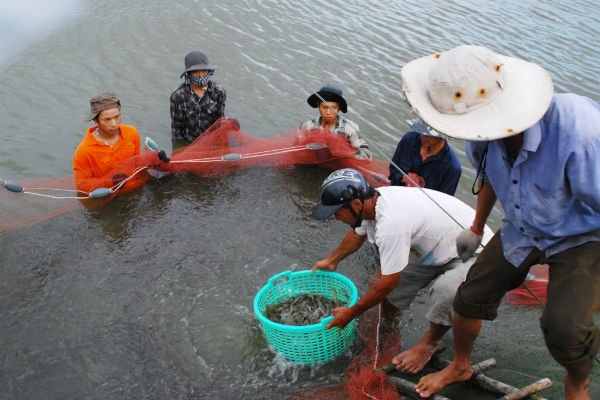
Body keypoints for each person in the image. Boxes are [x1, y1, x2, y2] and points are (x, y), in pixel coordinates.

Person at [399, 45, 600, 399]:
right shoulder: (482, 141)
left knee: (564, 329)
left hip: (582, 235)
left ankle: (577, 381)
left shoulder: (581, 135)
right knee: (469, 297)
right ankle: (460, 364)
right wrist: (476, 227)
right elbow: (492, 178)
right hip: (524, 227)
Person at [311, 168, 492, 374]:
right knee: (382, 288)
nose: (335, 217)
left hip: (475, 247)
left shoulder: (391, 223)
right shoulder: (371, 202)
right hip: (434, 244)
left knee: (445, 291)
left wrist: (352, 312)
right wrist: (332, 260)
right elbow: (358, 232)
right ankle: (388, 330)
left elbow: (389, 282)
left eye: (336, 212)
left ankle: (428, 345)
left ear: (355, 204)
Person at [73, 92, 168, 193]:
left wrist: (153, 158)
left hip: (136, 187)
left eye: (117, 117)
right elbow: (81, 185)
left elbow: (137, 162)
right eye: (107, 119)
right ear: (96, 121)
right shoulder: (84, 151)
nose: (114, 124)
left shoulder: (131, 133)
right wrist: (111, 181)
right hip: (110, 196)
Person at [389, 118, 461, 195]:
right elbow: (393, 169)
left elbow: (443, 200)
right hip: (396, 193)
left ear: (443, 136)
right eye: (421, 131)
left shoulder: (452, 168)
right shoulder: (408, 139)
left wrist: (421, 187)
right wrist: (403, 177)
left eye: (429, 135)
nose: (423, 136)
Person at [298, 84, 371, 159]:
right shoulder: (307, 126)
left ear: (339, 108)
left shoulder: (349, 128)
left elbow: (367, 156)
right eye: (324, 107)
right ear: (318, 105)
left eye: (333, 108)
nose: (328, 112)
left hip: (340, 165)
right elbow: (297, 147)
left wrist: (340, 154)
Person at [170, 51, 227, 145]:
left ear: (209, 72)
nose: (201, 75)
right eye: (196, 72)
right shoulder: (178, 96)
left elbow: (220, 121)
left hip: (212, 140)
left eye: (204, 70)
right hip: (189, 143)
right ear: (188, 74)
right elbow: (177, 132)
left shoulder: (219, 92)